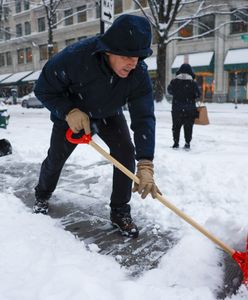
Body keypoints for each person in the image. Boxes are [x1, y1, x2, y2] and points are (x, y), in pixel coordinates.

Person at [33, 14, 161, 238]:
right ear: (109, 50)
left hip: (109, 114)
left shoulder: (138, 74)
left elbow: (144, 117)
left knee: (125, 153)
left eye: (139, 57)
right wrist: (67, 111)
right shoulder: (74, 58)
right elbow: (43, 89)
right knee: (56, 158)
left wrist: (146, 162)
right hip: (72, 114)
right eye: (128, 56)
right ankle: (42, 194)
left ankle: (120, 211)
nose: (133, 63)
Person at [167, 63, 201, 150]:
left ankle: (176, 143)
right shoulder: (192, 83)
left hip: (176, 108)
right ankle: (187, 143)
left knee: (176, 126)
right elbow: (198, 95)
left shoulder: (174, 81)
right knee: (188, 126)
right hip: (190, 109)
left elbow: (169, 91)